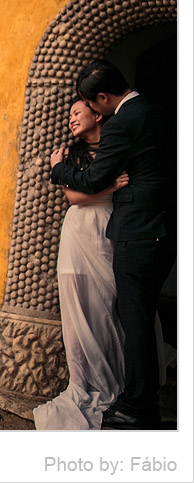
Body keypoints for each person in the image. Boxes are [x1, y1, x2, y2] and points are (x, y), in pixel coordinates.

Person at [50, 59, 176, 430]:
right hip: (163, 226)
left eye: (88, 105)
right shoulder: (159, 111)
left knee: (134, 319)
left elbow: (91, 181)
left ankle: (140, 405)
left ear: (101, 100)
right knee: (136, 314)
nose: (86, 112)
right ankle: (136, 396)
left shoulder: (122, 122)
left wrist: (58, 169)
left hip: (137, 230)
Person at [34, 100, 129, 429]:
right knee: (81, 307)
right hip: (78, 231)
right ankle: (88, 380)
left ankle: (119, 380)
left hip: (108, 229)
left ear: (98, 113)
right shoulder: (68, 155)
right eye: (71, 114)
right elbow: (74, 197)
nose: (72, 118)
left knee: (109, 306)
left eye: (78, 112)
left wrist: (104, 189)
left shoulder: (116, 146)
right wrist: (112, 186)